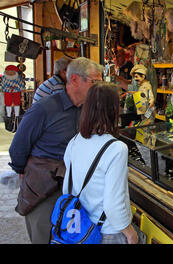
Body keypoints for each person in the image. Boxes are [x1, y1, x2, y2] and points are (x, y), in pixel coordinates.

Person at [8, 57, 103, 244]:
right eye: (95, 81)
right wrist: (25, 174)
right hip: (44, 189)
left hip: (73, 189)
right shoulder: (44, 109)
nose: (98, 87)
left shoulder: (87, 110)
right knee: (44, 236)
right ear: (75, 80)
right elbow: (18, 147)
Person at [62, 82, 138, 244]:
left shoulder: (75, 141)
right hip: (106, 232)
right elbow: (113, 203)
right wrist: (130, 233)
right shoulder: (116, 149)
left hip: (80, 229)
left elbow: (68, 187)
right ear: (113, 111)